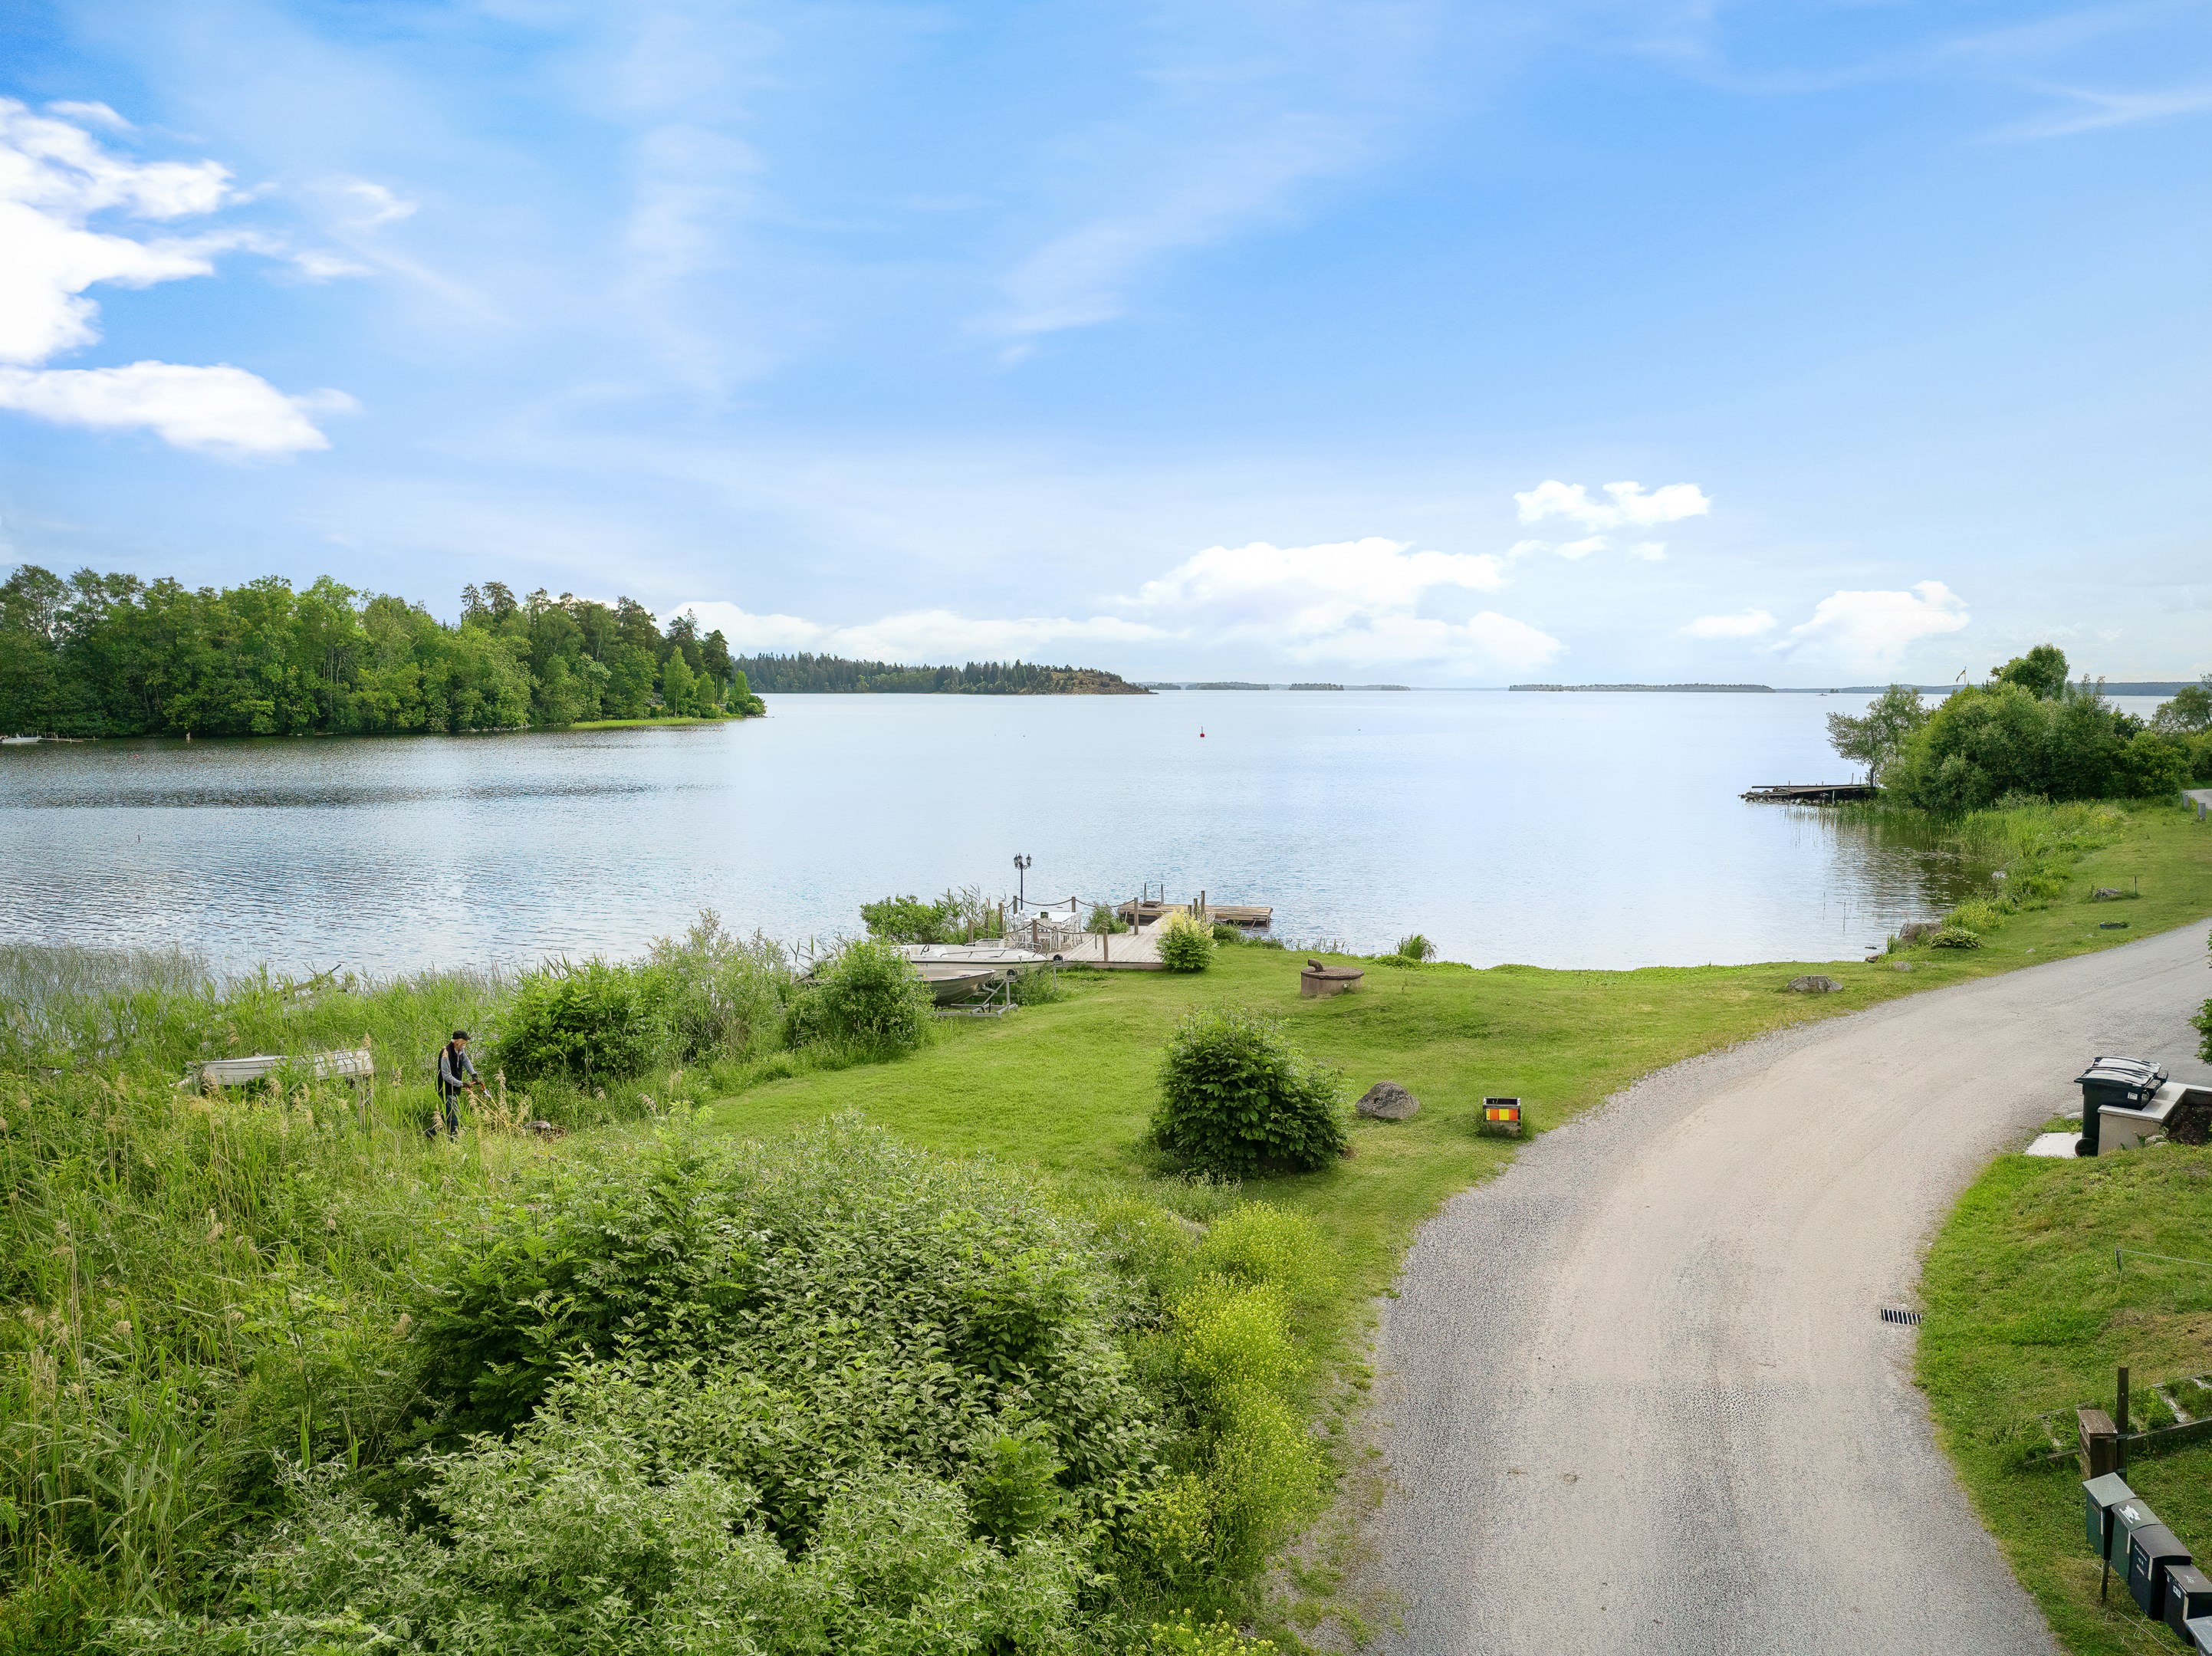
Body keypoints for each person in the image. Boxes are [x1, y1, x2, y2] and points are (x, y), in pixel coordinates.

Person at [432, 1029, 483, 1138]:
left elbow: (466, 1061)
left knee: (447, 1112)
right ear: (457, 1041)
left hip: (454, 1088)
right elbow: (446, 1076)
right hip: (445, 1088)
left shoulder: (460, 1051)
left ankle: (431, 1132)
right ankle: (454, 1140)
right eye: (464, 1043)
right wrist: (461, 1084)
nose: (464, 1045)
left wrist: (473, 1074)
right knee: (454, 1115)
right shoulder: (446, 1053)